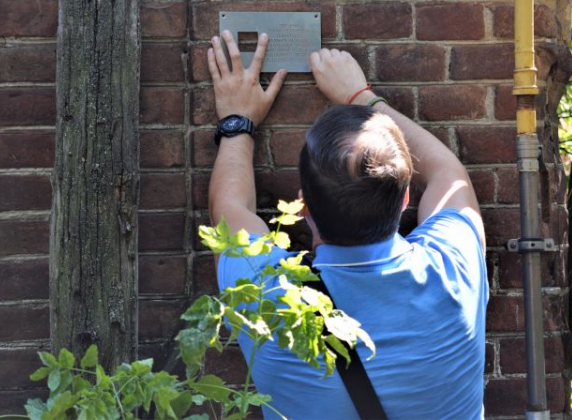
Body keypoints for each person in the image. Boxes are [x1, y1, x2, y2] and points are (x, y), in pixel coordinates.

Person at [206, 30, 488, 419]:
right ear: (406, 200)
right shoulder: (454, 271)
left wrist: (238, 122)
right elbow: (448, 173)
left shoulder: (268, 297)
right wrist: (363, 98)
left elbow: (228, 206)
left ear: (303, 206)